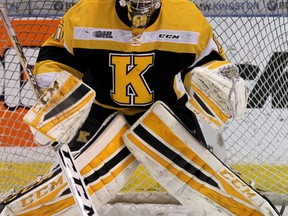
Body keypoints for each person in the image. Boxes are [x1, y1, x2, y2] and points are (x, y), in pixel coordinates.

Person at [1, 0, 255, 215]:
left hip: (165, 108)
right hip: (100, 110)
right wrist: (52, 88)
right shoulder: (86, 12)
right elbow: (58, 55)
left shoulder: (186, 16)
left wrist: (216, 79)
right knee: (65, 191)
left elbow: (206, 62)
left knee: (207, 186)